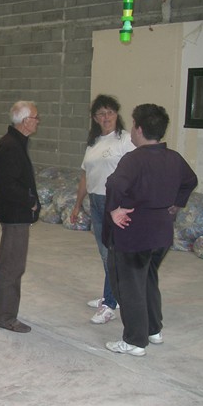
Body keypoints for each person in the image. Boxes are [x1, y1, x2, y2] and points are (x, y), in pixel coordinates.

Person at [103, 103, 198, 357]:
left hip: (135, 233)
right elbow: (191, 181)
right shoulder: (174, 158)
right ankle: (154, 329)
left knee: (130, 284)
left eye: (133, 125)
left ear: (140, 129)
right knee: (148, 279)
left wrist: (113, 211)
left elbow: (114, 185)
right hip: (161, 233)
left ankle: (134, 340)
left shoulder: (134, 159)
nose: (132, 130)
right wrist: (177, 204)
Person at [70, 95, 135, 324]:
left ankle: (109, 303)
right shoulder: (94, 142)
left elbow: (137, 172)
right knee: (104, 252)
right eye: (100, 114)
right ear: (95, 119)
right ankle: (111, 295)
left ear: (117, 114)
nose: (105, 117)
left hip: (114, 204)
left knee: (112, 254)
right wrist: (78, 204)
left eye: (109, 112)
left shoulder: (126, 141)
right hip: (96, 202)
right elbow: (86, 175)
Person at [0, 100, 41, 333]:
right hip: (15, 214)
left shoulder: (15, 142)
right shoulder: (11, 145)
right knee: (13, 266)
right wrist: (30, 202)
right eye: (35, 118)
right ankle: (7, 317)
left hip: (14, 212)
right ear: (24, 121)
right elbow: (9, 184)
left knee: (6, 263)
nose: (38, 122)